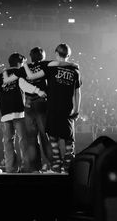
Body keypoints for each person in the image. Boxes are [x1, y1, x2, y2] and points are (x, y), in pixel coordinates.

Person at [0, 52, 47, 173]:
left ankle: (10, 168)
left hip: (5, 115)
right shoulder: (19, 74)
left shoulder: (1, 76)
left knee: (7, 142)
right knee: (23, 140)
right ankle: (26, 167)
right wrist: (38, 91)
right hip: (19, 113)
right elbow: (25, 86)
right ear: (19, 63)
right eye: (22, 63)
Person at [23, 43, 82, 173]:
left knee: (53, 137)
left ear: (56, 53)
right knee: (68, 139)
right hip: (68, 109)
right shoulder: (75, 70)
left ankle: (56, 166)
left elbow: (31, 77)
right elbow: (78, 93)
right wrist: (77, 110)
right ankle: (68, 167)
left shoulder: (51, 68)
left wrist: (25, 65)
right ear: (68, 55)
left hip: (53, 107)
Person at [15, 47, 52, 172]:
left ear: (31, 56)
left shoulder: (25, 68)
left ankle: (34, 167)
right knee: (45, 135)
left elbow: (22, 84)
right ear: (43, 56)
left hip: (29, 105)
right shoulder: (46, 65)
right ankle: (49, 165)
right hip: (42, 103)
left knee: (31, 138)